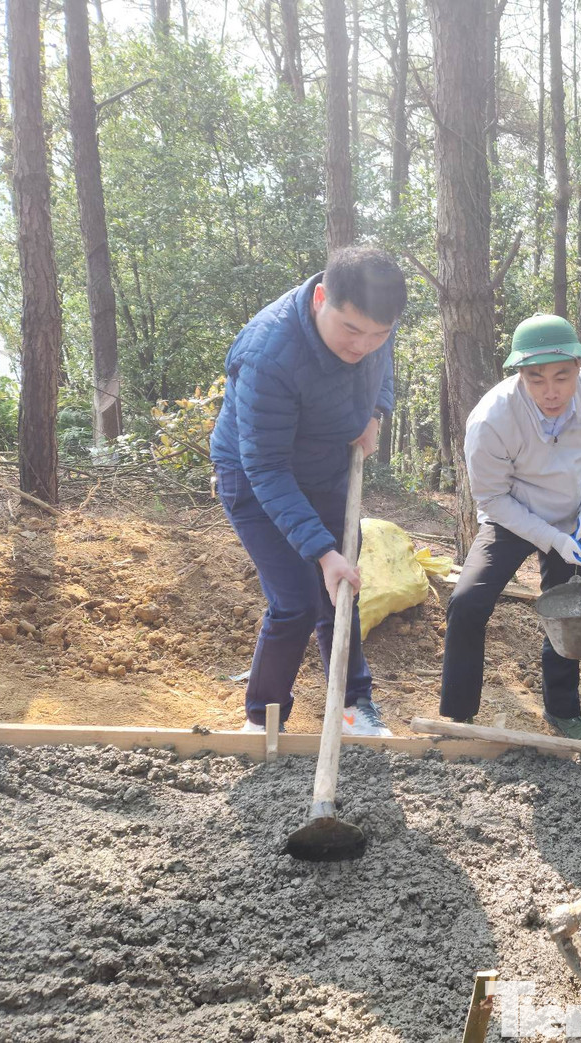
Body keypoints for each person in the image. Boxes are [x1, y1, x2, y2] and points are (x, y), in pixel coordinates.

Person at [209, 245, 405, 736]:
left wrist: (374, 414)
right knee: (297, 600)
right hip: (258, 478)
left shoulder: (375, 322)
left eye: (378, 334)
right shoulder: (268, 354)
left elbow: (382, 369)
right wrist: (322, 550)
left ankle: (353, 708)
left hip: (328, 465)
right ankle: (264, 720)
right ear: (321, 298)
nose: (363, 345)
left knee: (342, 593)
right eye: (352, 331)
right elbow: (267, 467)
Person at [438, 314, 581, 741]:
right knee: (467, 603)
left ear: (578, 368)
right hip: (511, 515)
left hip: (572, 516)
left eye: (561, 376)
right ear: (520, 374)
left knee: (569, 614)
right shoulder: (491, 420)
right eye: (536, 379)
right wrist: (551, 538)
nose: (550, 391)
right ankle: (459, 714)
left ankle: (562, 710)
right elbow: (492, 498)